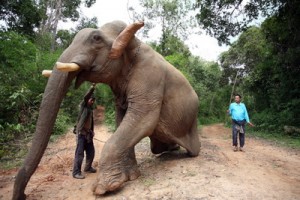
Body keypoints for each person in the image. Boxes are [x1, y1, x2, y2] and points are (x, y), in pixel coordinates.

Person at [72, 83, 97, 179]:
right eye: (91, 99)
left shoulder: (90, 110)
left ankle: (88, 167)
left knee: (91, 152)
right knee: (79, 154)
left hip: (88, 135)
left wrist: (92, 131)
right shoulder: (83, 106)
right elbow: (86, 97)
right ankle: (76, 172)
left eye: (93, 100)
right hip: (81, 134)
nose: (92, 101)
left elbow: (91, 122)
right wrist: (92, 88)